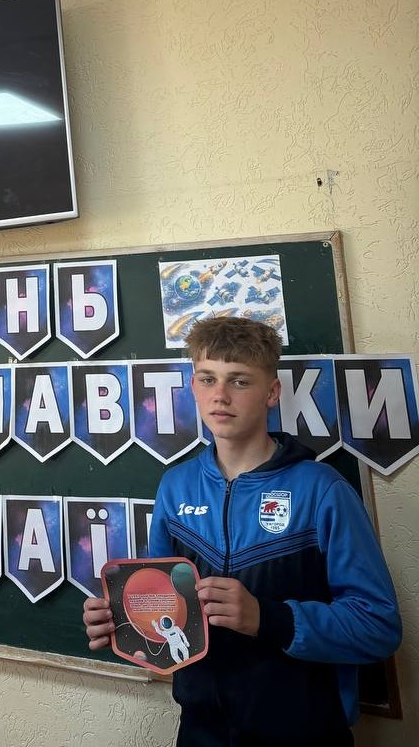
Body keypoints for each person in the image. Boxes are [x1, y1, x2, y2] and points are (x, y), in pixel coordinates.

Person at [83, 316, 401, 745]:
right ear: (193, 387)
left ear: (272, 392)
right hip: (201, 730)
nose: (220, 395)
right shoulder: (176, 487)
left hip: (303, 731)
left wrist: (267, 618)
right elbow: (166, 614)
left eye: (239, 381)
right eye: (207, 379)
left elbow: (378, 626)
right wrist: (124, 622)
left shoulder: (322, 490)